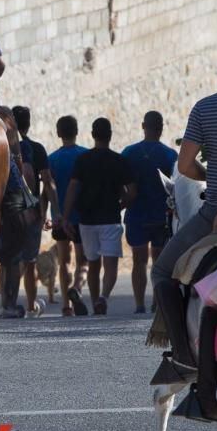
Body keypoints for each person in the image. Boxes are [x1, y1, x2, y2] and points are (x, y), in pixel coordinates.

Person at [151, 92, 217, 386]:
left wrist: (208, 178)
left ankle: (183, 357)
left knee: (162, 271)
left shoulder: (205, 108)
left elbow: (185, 165)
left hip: (215, 210)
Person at [62, 118, 136, 315]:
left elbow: (73, 188)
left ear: (93, 135)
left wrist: (66, 217)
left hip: (87, 220)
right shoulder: (119, 161)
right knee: (110, 265)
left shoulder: (83, 160)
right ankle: (103, 298)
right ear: (110, 135)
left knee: (92, 264)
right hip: (110, 219)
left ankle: (95, 302)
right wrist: (121, 205)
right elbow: (133, 192)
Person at [122, 111, 178, 314]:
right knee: (159, 261)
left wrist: (122, 201)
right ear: (161, 128)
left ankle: (139, 304)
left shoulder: (128, 152)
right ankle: (157, 302)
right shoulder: (170, 155)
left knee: (139, 261)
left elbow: (120, 181)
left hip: (136, 214)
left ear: (143, 125)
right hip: (160, 215)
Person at [12, 106, 60, 317]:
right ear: (29, 124)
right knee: (30, 261)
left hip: (9, 212)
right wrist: (54, 213)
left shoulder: (5, 146)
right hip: (32, 212)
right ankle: (31, 306)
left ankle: (8, 303)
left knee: (9, 260)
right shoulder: (37, 149)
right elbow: (48, 183)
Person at [48, 115, 90, 317]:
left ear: (58, 133)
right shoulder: (85, 156)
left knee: (64, 261)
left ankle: (66, 305)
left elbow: (47, 190)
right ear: (77, 131)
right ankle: (77, 288)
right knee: (83, 261)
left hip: (58, 218)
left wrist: (50, 215)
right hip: (81, 216)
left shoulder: (52, 159)